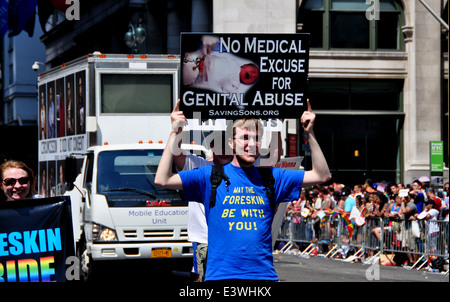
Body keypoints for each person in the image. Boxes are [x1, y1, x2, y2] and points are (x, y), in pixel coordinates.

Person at [155, 100, 331, 281]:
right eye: (245, 138)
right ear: (231, 143)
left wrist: (309, 133)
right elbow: (162, 179)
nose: (251, 144)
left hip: (264, 278)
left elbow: (322, 175)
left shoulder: (272, 177)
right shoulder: (209, 176)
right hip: (220, 278)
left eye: (256, 138)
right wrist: (175, 132)